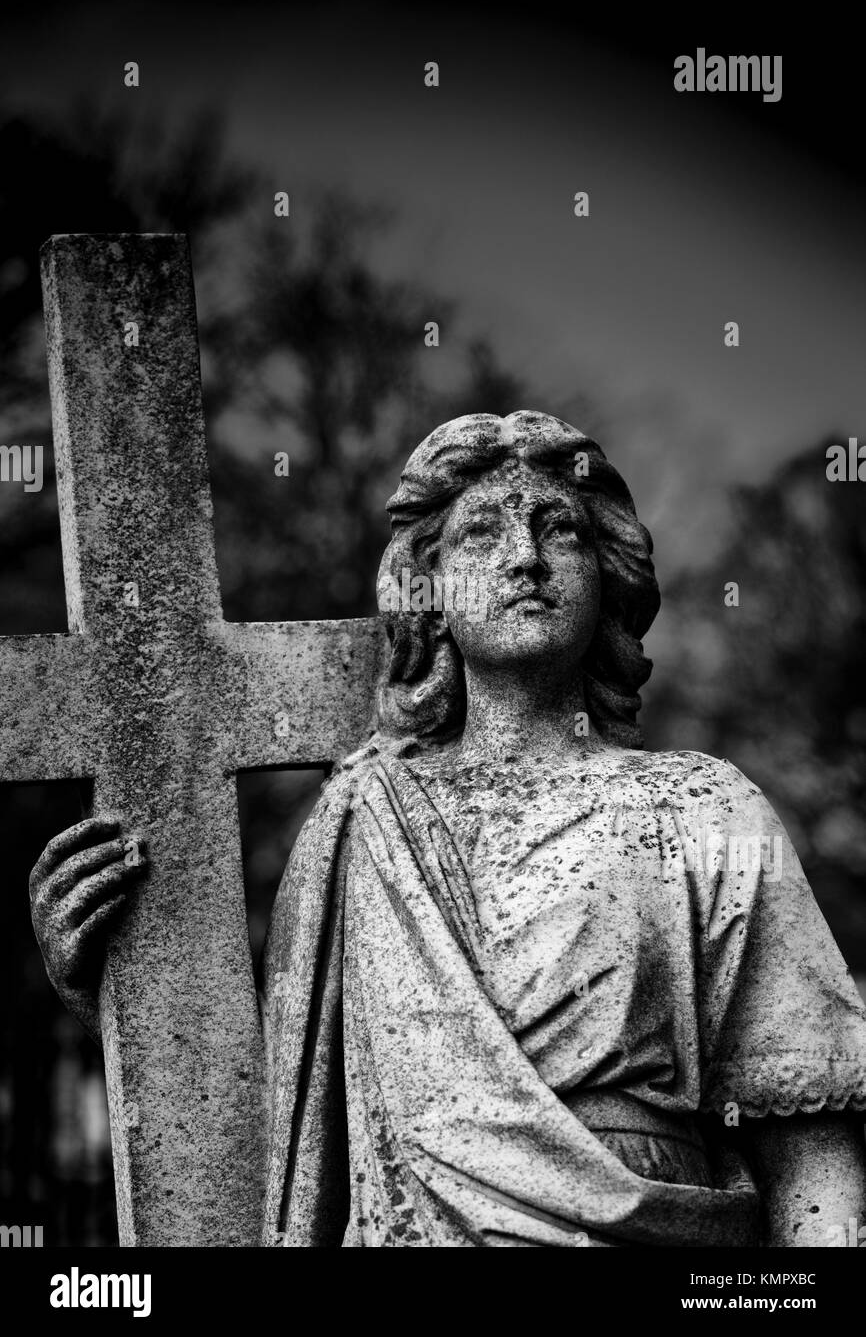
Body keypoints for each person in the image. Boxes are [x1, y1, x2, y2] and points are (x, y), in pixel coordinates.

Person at [30, 411, 866, 1247]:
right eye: (480, 535)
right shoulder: (362, 820)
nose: (525, 558)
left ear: (610, 575)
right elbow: (290, 1126)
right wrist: (115, 996)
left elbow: (807, 1131)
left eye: (561, 531)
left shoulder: (701, 805)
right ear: (425, 590)